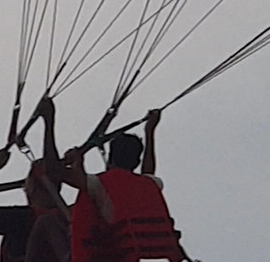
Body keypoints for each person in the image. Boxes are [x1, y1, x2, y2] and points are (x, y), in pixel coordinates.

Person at [65, 109, 192, 262]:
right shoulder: (150, 185)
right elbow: (148, 172)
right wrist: (150, 132)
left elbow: (57, 172)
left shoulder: (100, 184)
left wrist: (75, 162)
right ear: (137, 162)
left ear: (110, 159)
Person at [0, 97, 70, 262]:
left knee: (46, 222)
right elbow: (52, 172)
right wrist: (49, 123)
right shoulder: (66, 218)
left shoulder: (23, 219)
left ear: (29, 188)